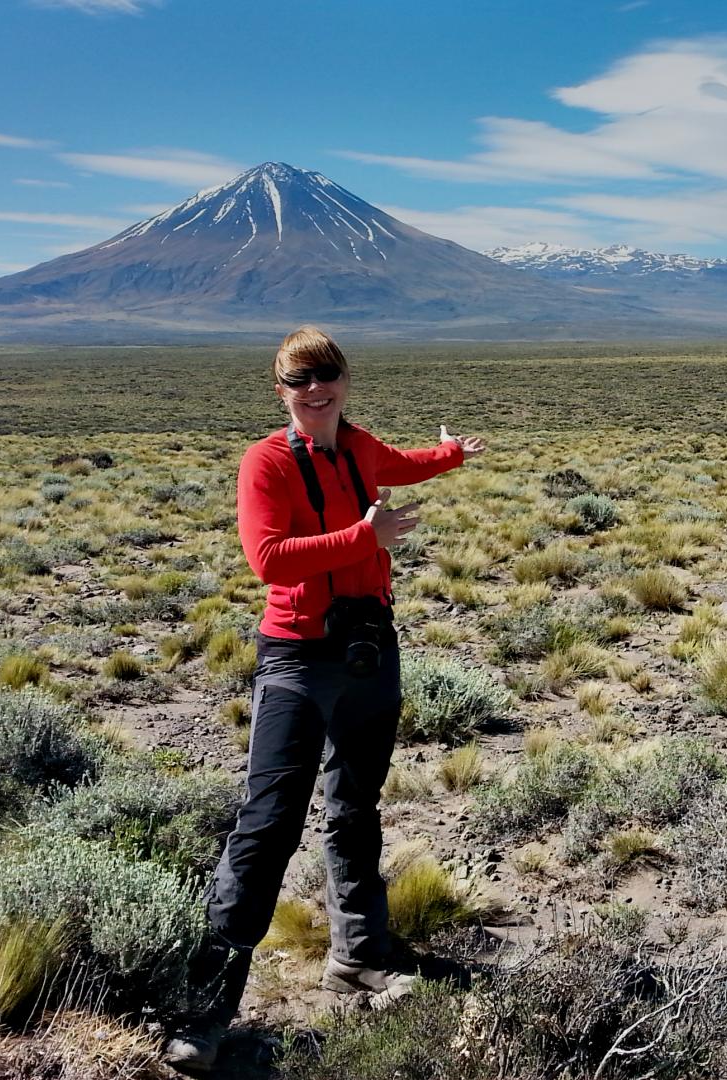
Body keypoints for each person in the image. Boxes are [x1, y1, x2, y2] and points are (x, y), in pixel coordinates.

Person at [165, 326, 484, 1071]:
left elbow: (399, 465)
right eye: (300, 379)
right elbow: (267, 558)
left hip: (370, 648)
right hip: (299, 658)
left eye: (327, 375)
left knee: (355, 807)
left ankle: (360, 956)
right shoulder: (266, 461)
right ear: (280, 390)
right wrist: (363, 539)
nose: (316, 389)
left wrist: (451, 455)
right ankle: (206, 1011)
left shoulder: (360, 444)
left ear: (345, 379)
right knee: (268, 823)